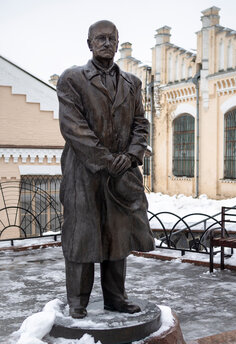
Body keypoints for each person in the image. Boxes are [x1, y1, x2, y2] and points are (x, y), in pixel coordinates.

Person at [57, 20, 155, 319]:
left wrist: (132, 154)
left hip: (121, 173)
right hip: (84, 173)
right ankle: (78, 300)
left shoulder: (131, 83)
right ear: (89, 43)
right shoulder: (72, 78)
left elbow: (140, 124)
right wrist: (106, 160)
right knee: (82, 235)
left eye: (112, 38)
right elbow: (73, 127)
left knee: (117, 235)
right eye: (100, 38)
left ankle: (115, 298)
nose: (106, 43)